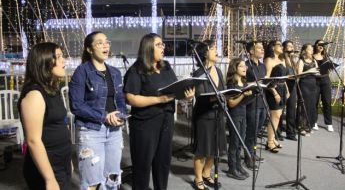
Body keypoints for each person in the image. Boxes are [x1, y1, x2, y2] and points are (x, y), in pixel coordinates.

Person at [123, 33, 194, 190]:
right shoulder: (137, 69)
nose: (163, 47)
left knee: (162, 163)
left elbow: (176, 90)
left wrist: (186, 97)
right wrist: (158, 100)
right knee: (142, 165)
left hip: (166, 121)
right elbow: (131, 98)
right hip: (144, 124)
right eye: (159, 45)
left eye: (163, 44)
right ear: (148, 48)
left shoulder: (166, 66)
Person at [69, 31, 127, 190]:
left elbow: (120, 100)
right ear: (89, 49)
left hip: (114, 131)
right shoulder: (82, 72)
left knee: (112, 178)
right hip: (91, 131)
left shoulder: (115, 72)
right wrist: (104, 117)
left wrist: (120, 114)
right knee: (92, 182)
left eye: (107, 42)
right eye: (99, 42)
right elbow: (76, 105)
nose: (105, 45)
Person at [19, 42, 71, 190]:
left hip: (60, 164)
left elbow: (58, 125)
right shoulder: (35, 94)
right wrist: (50, 179)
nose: (64, 61)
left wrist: (68, 162)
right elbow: (33, 140)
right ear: (45, 61)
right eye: (59, 57)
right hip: (46, 169)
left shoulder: (51, 89)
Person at [192, 39, 227, 190]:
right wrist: (216, 96)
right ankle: (198, 177)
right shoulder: (199, 73)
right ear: (205, 54)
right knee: (202, 149)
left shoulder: (218, 70)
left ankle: (207, 173)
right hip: (204, 115)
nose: (216, 51)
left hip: (218, 114)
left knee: (215, 147)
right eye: (213, 49)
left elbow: (223, 89)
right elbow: (199, 95)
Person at [226, 58, 253, 180]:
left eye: (245, 66)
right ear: (235, 68)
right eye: (241, 66)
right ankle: (232, 168)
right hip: (234, 115)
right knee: (234, 142)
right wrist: (243, 95)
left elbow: (245, 102)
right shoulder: (231, 83)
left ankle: (238, 165)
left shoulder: (244, 82)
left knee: (241, 142)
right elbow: (231, 103)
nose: (245, 68)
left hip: (243, 114)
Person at [244, 41, 267, 170]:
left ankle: (252, 152)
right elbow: (243, 83)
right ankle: (248, 157)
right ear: (251, 51)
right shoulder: (246, 65)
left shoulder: (263, 66)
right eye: (259, 48)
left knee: (257, 131)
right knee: (251, 131)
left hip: (263, 102)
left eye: (262, 48)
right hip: (251, 102)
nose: (262, 50)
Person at [264, 40, 289, 153]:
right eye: (279, 45)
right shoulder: (269, 60)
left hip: (283, 88)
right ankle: (269, 142)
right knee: (275, 115)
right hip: (273, 88)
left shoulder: (281, 59)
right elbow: (266, 79)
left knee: (279, 116)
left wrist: (287, 89)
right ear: (272, 47)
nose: (281, 46)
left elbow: (284, 77)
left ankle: (273, 139)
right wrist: (274, 92)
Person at [297, 43, 319, 136]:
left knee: (311, 106)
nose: (312, 51)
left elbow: (317, 72)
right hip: (304, 84)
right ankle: (301, 127)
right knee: (304, 106)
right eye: (310, 49)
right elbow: (299, 74)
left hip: (313, 85)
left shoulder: (314, 61)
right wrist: (309, 71)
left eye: (312, 49)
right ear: (305, 51)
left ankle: (308, 126)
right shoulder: (301, 61)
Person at [313, 39, 334, 132]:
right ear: (316, 45)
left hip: (325, 79)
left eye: (322, 44)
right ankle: (314, 122)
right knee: (315, 102)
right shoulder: (312, 56)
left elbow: (331, 67)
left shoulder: (326, 56)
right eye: (319, 44)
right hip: (315, 80)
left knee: (327, 101)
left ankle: (329, 123)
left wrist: (331, 66)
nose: (321, 46)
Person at [282, 40, 298, 141]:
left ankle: (290, 132)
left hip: (293, 86)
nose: (291, 48)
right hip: (284, 85)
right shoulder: (282, 59)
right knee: (280, 110)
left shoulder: (293, 60)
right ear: (284, 48)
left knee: (292, 109)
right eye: (289, 46)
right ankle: (277, 131)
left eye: (292, 46)